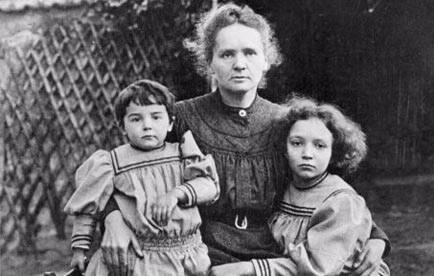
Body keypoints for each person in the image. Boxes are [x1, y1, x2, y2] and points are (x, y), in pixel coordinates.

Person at [102, 3, 390, 275]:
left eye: (250, 53)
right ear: (209, 62)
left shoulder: (286, 123)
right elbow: (122, 170)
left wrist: (376, 237)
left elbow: (328, 188)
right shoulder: (180, 118)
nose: (239, 64)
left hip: (271, 254)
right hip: (202, 254)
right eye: (227, 54)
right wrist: (113, 217)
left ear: (266, 61)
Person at [63, 79, 220, 276]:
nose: (147, 126)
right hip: (139, 258)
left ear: (170, 123)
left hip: (187, 255)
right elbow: (88, 206)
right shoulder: (111, 162)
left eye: (156, 117)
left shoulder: (183, 153)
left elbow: (209, 186)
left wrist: (177, 193)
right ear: (122, 126)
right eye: (136, 119)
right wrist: (80, 250)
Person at [266, 97, 390, 275]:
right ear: (284, 148)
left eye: (320, 146)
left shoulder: (340, 199)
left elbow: (319, 269)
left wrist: (253, 268)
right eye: (297, 143)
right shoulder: (284, 187)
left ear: (334, 153)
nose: (307, 154)